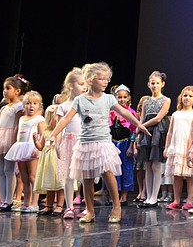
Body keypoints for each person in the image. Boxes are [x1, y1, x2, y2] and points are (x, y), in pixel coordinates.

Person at [50, 62, 149, 224]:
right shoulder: (80, 100)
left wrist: (139, 124)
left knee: (107, 173)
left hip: (102, 142)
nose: (105, 82)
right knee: (87, 178)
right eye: (101, 79)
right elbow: (67, 118)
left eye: (107, 79)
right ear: (90, 80)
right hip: (85, 143)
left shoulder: (109, 99)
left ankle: (116, 206)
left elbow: (123, 111)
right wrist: (53, 135)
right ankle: (90, 211)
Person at [0, 74, 28, 212]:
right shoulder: (4, 108)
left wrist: (15, 142)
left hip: (11, 138)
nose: (4, 91)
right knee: (1, 171)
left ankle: (9, 200)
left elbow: (18, 125)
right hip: (0, 138)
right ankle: (2, 199)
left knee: (9, 171)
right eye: (4, 88)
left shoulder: (19, 107)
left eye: (8, 88)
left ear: (18, 91)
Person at [4, 90, 47, 213]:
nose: (31, 106)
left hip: (32, 147)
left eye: (34, 103)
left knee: (33, 177)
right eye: (28, 103)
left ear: (39, 105)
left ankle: (35, 203)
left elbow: (42, 135)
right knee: (24, 177)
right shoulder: (22, 118)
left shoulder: (39, 119)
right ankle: (26, 202)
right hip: (21, 148)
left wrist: (36, 147)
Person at [135, 70, 171, 208]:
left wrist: (141, 126)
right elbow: (142, 117)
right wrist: (139, 134)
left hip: (157, 131)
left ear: (162, 84)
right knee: (147, 165)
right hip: (146, 132)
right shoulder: (146, 102)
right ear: (148, 84)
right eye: (152, 83)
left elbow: (158, 118)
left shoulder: (166, 100)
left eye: (157, 83)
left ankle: (154, 197)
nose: (155, 86)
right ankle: (148, 196)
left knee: (156, 165)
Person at [55, 67, 86, 218]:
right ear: (71, 86)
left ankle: (88, 207)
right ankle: (69, 207)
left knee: (86, 175)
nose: (84, 87)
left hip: (83, 142)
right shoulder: (64, 106)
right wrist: (57, 145)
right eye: (81, 84)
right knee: (69, 176)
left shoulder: (86, 104)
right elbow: (59, 127)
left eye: (85, 84)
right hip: (68, 142)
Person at [164, 86, 193, 210]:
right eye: (185, 95)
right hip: (176, 146)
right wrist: (167, 147)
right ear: (180, 97)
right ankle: (176, 200)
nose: (187, 98)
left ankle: (190, 200)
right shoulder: (175, 114)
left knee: (190, 175)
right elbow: (170, 132)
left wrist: (192, 148)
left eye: (190, 96)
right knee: (177, 175)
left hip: (189, 147)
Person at [32, 104, 63, 215]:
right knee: (50, 184)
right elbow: (41, 147)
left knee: (60, 184)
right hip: (48, 161)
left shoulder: (61, 131)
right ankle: (48, 206)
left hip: (57, 158)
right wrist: (35, 141)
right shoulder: (46, 132)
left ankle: (59, 206)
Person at [109, 84, 136, 206]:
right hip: (113, 143)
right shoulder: (112, 112)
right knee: (112, 169)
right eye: (119, 97)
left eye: (125, 97)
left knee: (126, 169)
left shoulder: (131, 113)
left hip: (125, 144)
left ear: (128, 98)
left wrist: (131, 146)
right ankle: (113, 195)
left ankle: (123, 197)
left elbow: (134, 131)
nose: (122, 100)